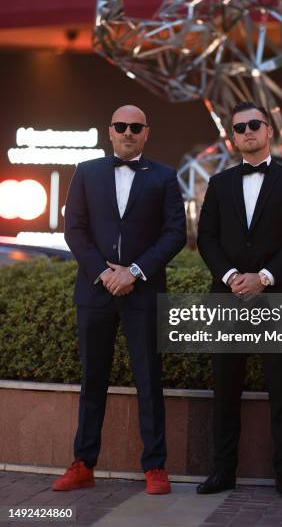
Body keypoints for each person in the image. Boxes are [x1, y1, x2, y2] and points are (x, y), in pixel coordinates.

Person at [52, 105, 186, 495]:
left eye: (136, 127)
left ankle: (155, 467)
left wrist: (135, 272)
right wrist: (106, 272)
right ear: (109, 131)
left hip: (143, 291)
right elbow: (73, 229)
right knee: (93, 379)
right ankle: (83, 463)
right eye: (121, 126)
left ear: (147, 133)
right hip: (95, 291)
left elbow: (175, 233)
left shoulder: (165, 176)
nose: (128, 132)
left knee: (149, 380)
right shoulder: (86, 171)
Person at [196, 100, 282, 500]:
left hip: (276, 296)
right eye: (239, 127)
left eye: (253, 125)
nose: (246, 132)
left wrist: (263, 278)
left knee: (281, 387)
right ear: (232, 137)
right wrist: (231, 278)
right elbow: (206, 238)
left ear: (268, 131)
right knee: (225, 389)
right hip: (227, 298)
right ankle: (223, 472)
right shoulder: (218, 184)